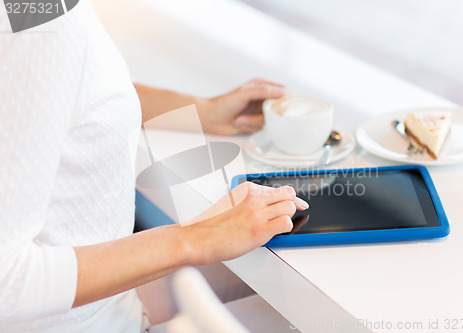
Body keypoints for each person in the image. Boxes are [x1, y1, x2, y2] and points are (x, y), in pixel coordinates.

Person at [0, 1, 308, 332]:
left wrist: (205, 110)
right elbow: (7, 285)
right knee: (307, 313)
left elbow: (57, 85)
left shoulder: (35, 18)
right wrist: (197, 238)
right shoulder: (45, 26)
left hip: (104, 307)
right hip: (94, 322)